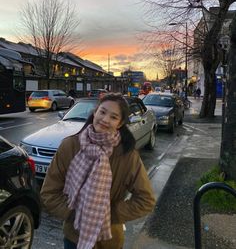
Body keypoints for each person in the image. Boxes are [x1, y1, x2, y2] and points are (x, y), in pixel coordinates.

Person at [40, 93, 156, 249]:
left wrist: (109, 214)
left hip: (110, 241)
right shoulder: (70, 146)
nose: (105, 119)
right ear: (95, 112)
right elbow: (49, 192)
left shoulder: (127, 155)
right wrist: (74, 213)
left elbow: (146, 200)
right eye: (102, 112)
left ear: (120, 123)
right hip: (74, 238)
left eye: (113, 117)